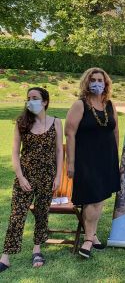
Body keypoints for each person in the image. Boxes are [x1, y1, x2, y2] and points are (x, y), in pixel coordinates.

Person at [0, 88, 63, 273]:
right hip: (25, 176)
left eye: (34, 98)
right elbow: (14, 151)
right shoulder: (22, 122)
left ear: (45, 101)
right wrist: (20, 177)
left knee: (42, 213)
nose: (30, 101)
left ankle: (37, 248)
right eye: (28, 98)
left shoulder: (56, 122)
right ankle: (6, 255)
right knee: (17, 214)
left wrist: (58, 176)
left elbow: (59, 151)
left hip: (47, 175)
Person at [65, 67, 120, 259]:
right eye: (93, 79)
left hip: (107, 158)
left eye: (100, 79)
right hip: (86, 159)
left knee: (100, 197)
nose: (97, 83)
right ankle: (88, 239)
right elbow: (69, 133)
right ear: (87, 82)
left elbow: (115, 132)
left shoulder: (110, 104)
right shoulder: (80, 105)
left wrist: (116, 158)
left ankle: (93, 235)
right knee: (92, 198)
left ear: (106, 83)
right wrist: (70, 163)